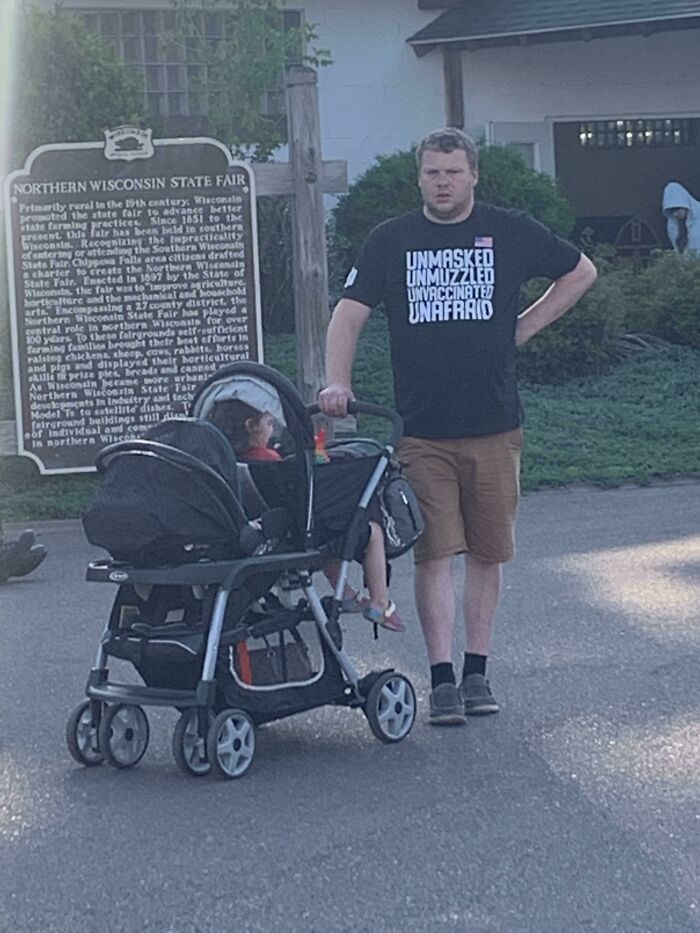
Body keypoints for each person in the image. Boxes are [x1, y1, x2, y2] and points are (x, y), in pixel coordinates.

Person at [319, 127, 597, 724]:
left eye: (452, 171)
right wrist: (336, 382)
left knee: (488, 554)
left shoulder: (510, 229)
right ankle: (441, 678)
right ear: (419, 178)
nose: (442, 182)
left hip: (495, 424)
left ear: (472, 175)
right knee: (435, 555)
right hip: (421, 430)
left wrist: (522, 325)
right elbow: (348, 314)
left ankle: (477, 672)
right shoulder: (390, 240)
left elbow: (580, 272)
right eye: (431, 172)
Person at [208, 399, 404, 632]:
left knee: (322, 535)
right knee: (372, 532)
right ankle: (379, 603)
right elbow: (315, 466)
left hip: (266, 530)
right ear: (252, 426)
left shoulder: (233, 464)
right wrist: (318, 445)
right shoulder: (272, 462)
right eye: (269, 423)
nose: (272, 428)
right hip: (298, 532)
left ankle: (348, 594)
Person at [662, 181, 700, 254]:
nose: (675, 214)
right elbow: (676, 247)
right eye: (671, 212)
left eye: (677, 209)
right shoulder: (672, 223)